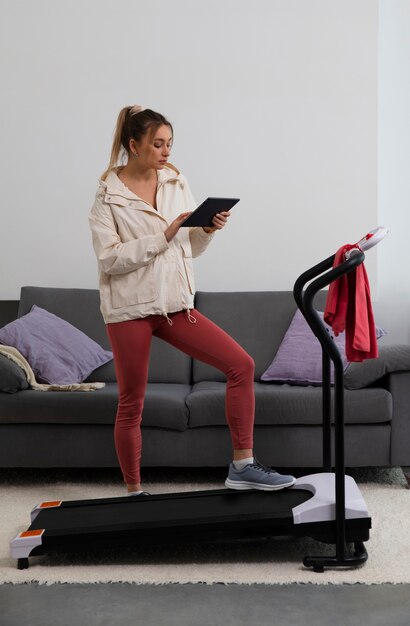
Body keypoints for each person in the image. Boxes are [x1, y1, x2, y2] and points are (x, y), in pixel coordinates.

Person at [89, 105, 296, 495]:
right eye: (158, 144)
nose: (166, 152)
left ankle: (243, 466)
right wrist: (163, 235)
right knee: (132, 402)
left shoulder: (175, 181)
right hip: (129, 311)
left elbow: (190, 249)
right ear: (134, 145)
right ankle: (134, 493)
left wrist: (206, 230)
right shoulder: (107, 197)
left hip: (175, 306)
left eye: (169, 143)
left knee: (241, 365)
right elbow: (110, 259)